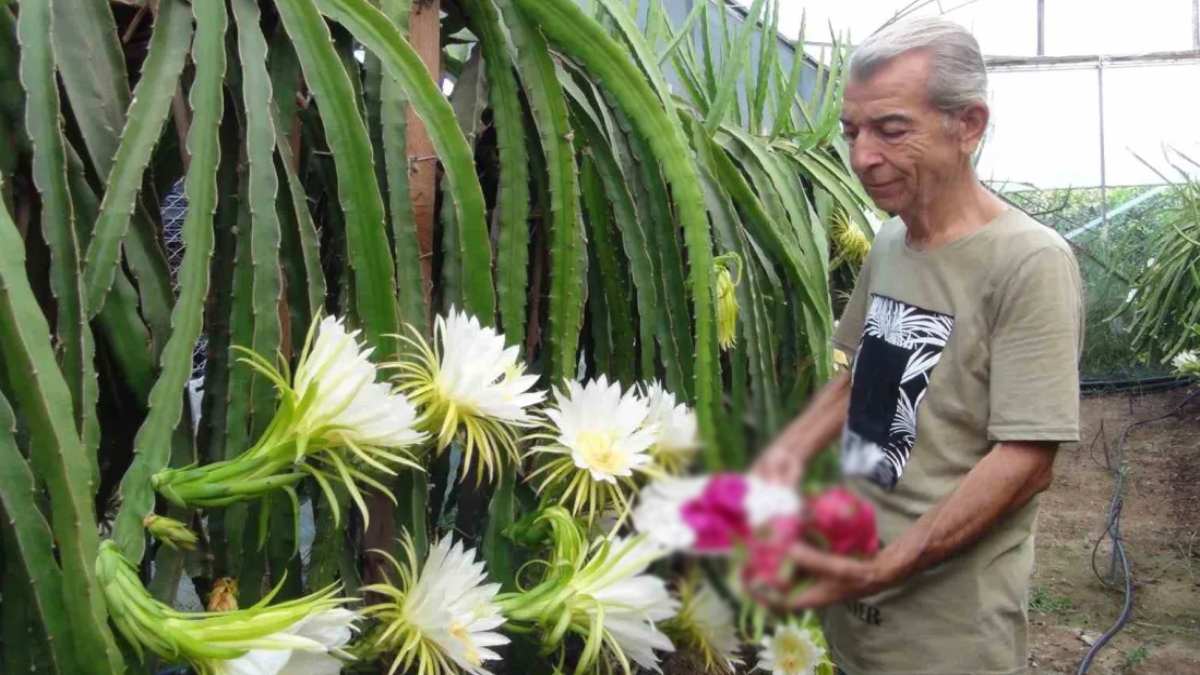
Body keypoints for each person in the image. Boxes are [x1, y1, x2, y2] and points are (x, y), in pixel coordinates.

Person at [751, 16, 1083, 675]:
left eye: (890, 129)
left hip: (946, 635)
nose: (861, 156)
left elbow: (1024, 460)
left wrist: (880, 568)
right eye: (852, 131)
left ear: (968, 125)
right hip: (858, 607)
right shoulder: (891, 240)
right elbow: (857, 376)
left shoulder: (1029, 262)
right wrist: (783, 457)